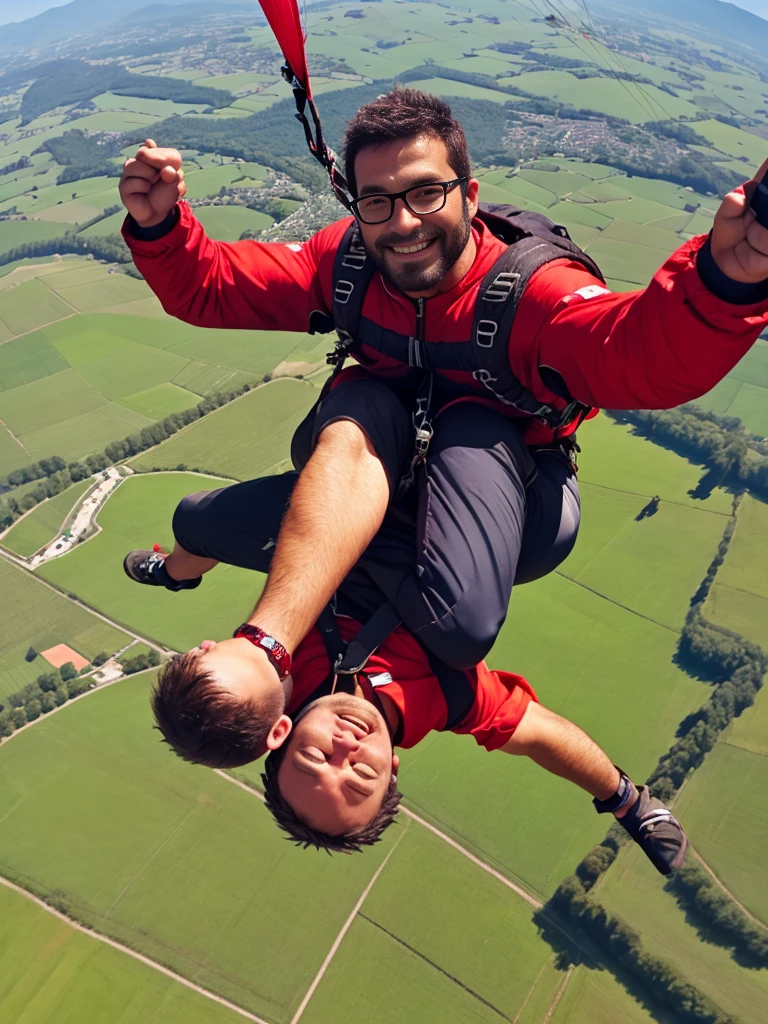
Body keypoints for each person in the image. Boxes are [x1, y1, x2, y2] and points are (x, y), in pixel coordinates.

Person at [119, 87, 768, 701]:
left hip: (504, 485)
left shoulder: (530, 297)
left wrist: (722, 283)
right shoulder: (348, 266)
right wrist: (161, 230)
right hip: (377, 464)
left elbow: (638, 357)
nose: (403, 222)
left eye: (427, 192)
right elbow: (217, 288)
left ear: (471, 193)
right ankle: (186, 568)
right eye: (377, 201)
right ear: (357, 207)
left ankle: (333, 552)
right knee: (209, 509)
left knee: (461, 608)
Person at [125, 471, 687, 875]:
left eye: (318, 757)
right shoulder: (442, 698)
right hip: (439, 529)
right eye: (361, 776)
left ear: (283, 732)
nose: (345, 748)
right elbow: (540, 735)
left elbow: (220, 690)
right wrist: (628, 803)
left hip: (347, 508)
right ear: (391, 765)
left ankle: (176, 572)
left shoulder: (278, 683)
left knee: (196, 519)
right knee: (548, 537)